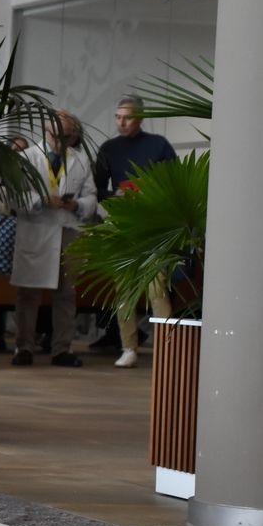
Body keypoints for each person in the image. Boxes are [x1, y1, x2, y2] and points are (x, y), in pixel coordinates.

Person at [93, 94, 177, 368]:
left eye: (127, 117)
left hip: (153, 223)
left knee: (157, 288)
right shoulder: (108, 148)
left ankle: (167, 348)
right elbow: (97, 189)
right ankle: (128, 346)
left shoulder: (158, 145)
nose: (122, 122)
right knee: (124, 288)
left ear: (140, 117)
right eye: (117, 117)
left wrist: (149, 192)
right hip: (122, 222)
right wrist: (114, 194)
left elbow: (174, 181)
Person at [10, 111, 97, 367]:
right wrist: (42, 200)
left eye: (66, 137)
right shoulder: (28, 158)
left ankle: (62, 349)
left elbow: (92, 197)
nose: (60, 141)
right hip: (37, 229)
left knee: (67, 294)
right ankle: (23, 347)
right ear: (45, 131)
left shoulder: (80, 160)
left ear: (74, 137)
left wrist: (77, 205)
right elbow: (15, 196)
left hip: (68, 229)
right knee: (28, 293)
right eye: (55, 135)